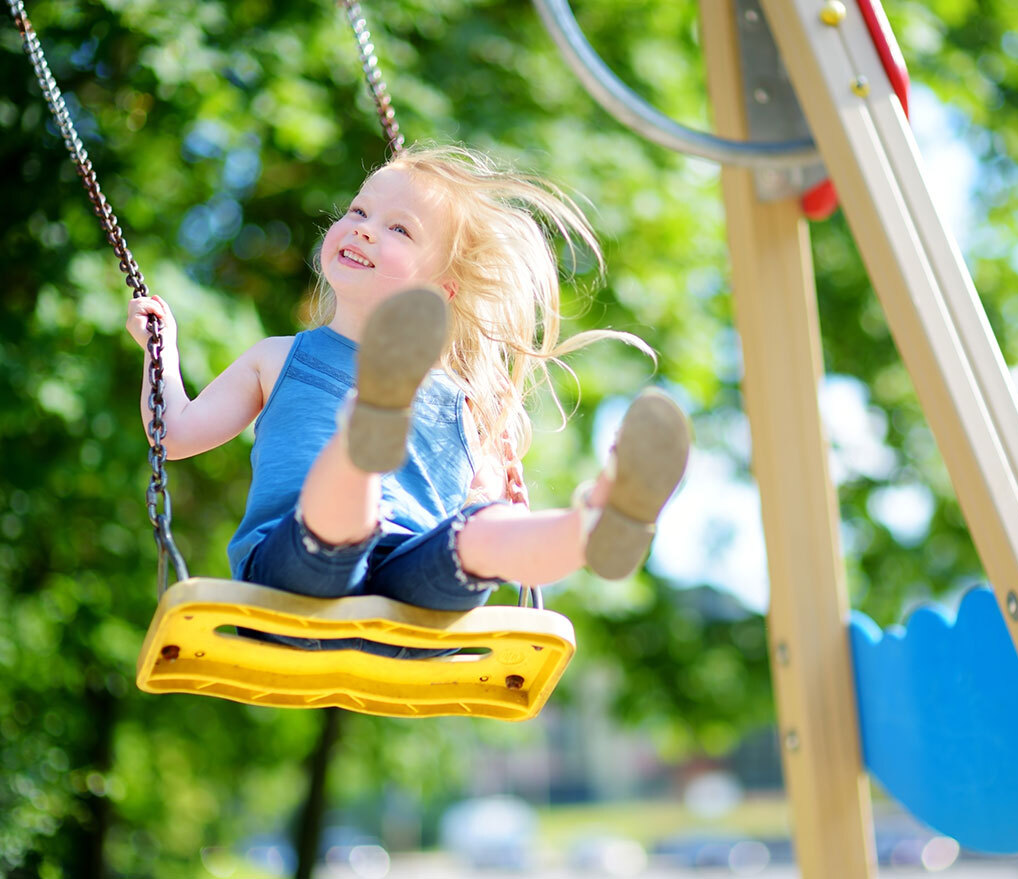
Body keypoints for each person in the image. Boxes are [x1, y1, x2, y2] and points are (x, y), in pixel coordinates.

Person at [125, 144, 690, 656]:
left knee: (480, 534)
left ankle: (593, 525)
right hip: (292, 588)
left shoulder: (461, 402)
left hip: (412, 600)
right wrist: (160, 353)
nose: (365, 229)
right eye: (358, 212)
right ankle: (364, 436)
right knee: (342, 525)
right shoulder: (277, 358)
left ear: (441, 291)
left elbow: (481, 509)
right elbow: (174, 433)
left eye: (400, 229)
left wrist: (504, 501)